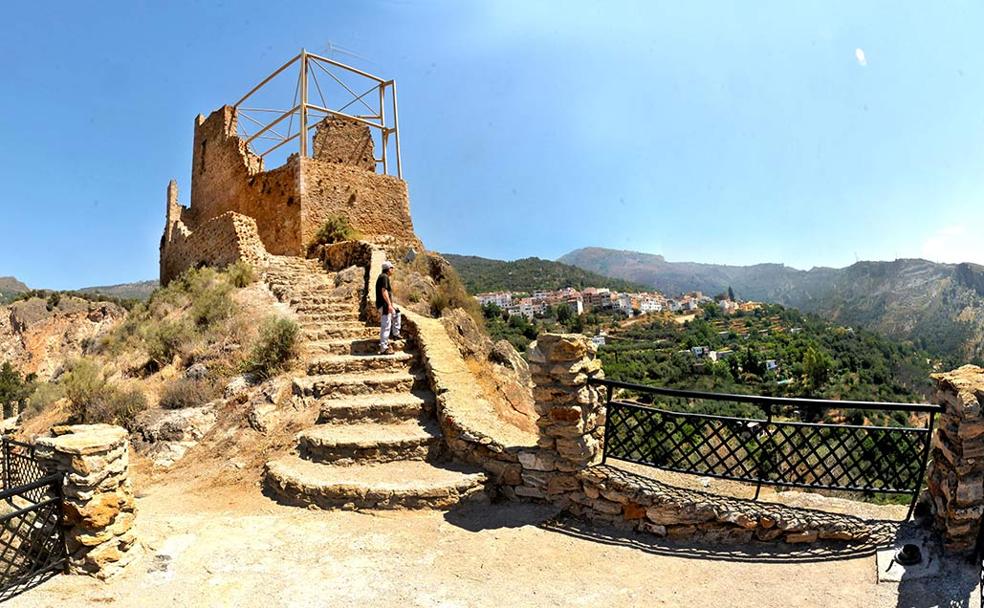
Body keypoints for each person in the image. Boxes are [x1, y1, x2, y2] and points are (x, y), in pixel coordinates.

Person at [375, 261, 402, 354]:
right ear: (388, 269)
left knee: (397, 313)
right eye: (392, 268)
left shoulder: (383, 277)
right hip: (384, 305)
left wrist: (392, 305)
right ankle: (383, 347)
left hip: (385, 304)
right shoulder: (384, 277)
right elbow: (384, 291)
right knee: (386, 325)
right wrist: (389, 305)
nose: (393, 270)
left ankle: (395, 333)